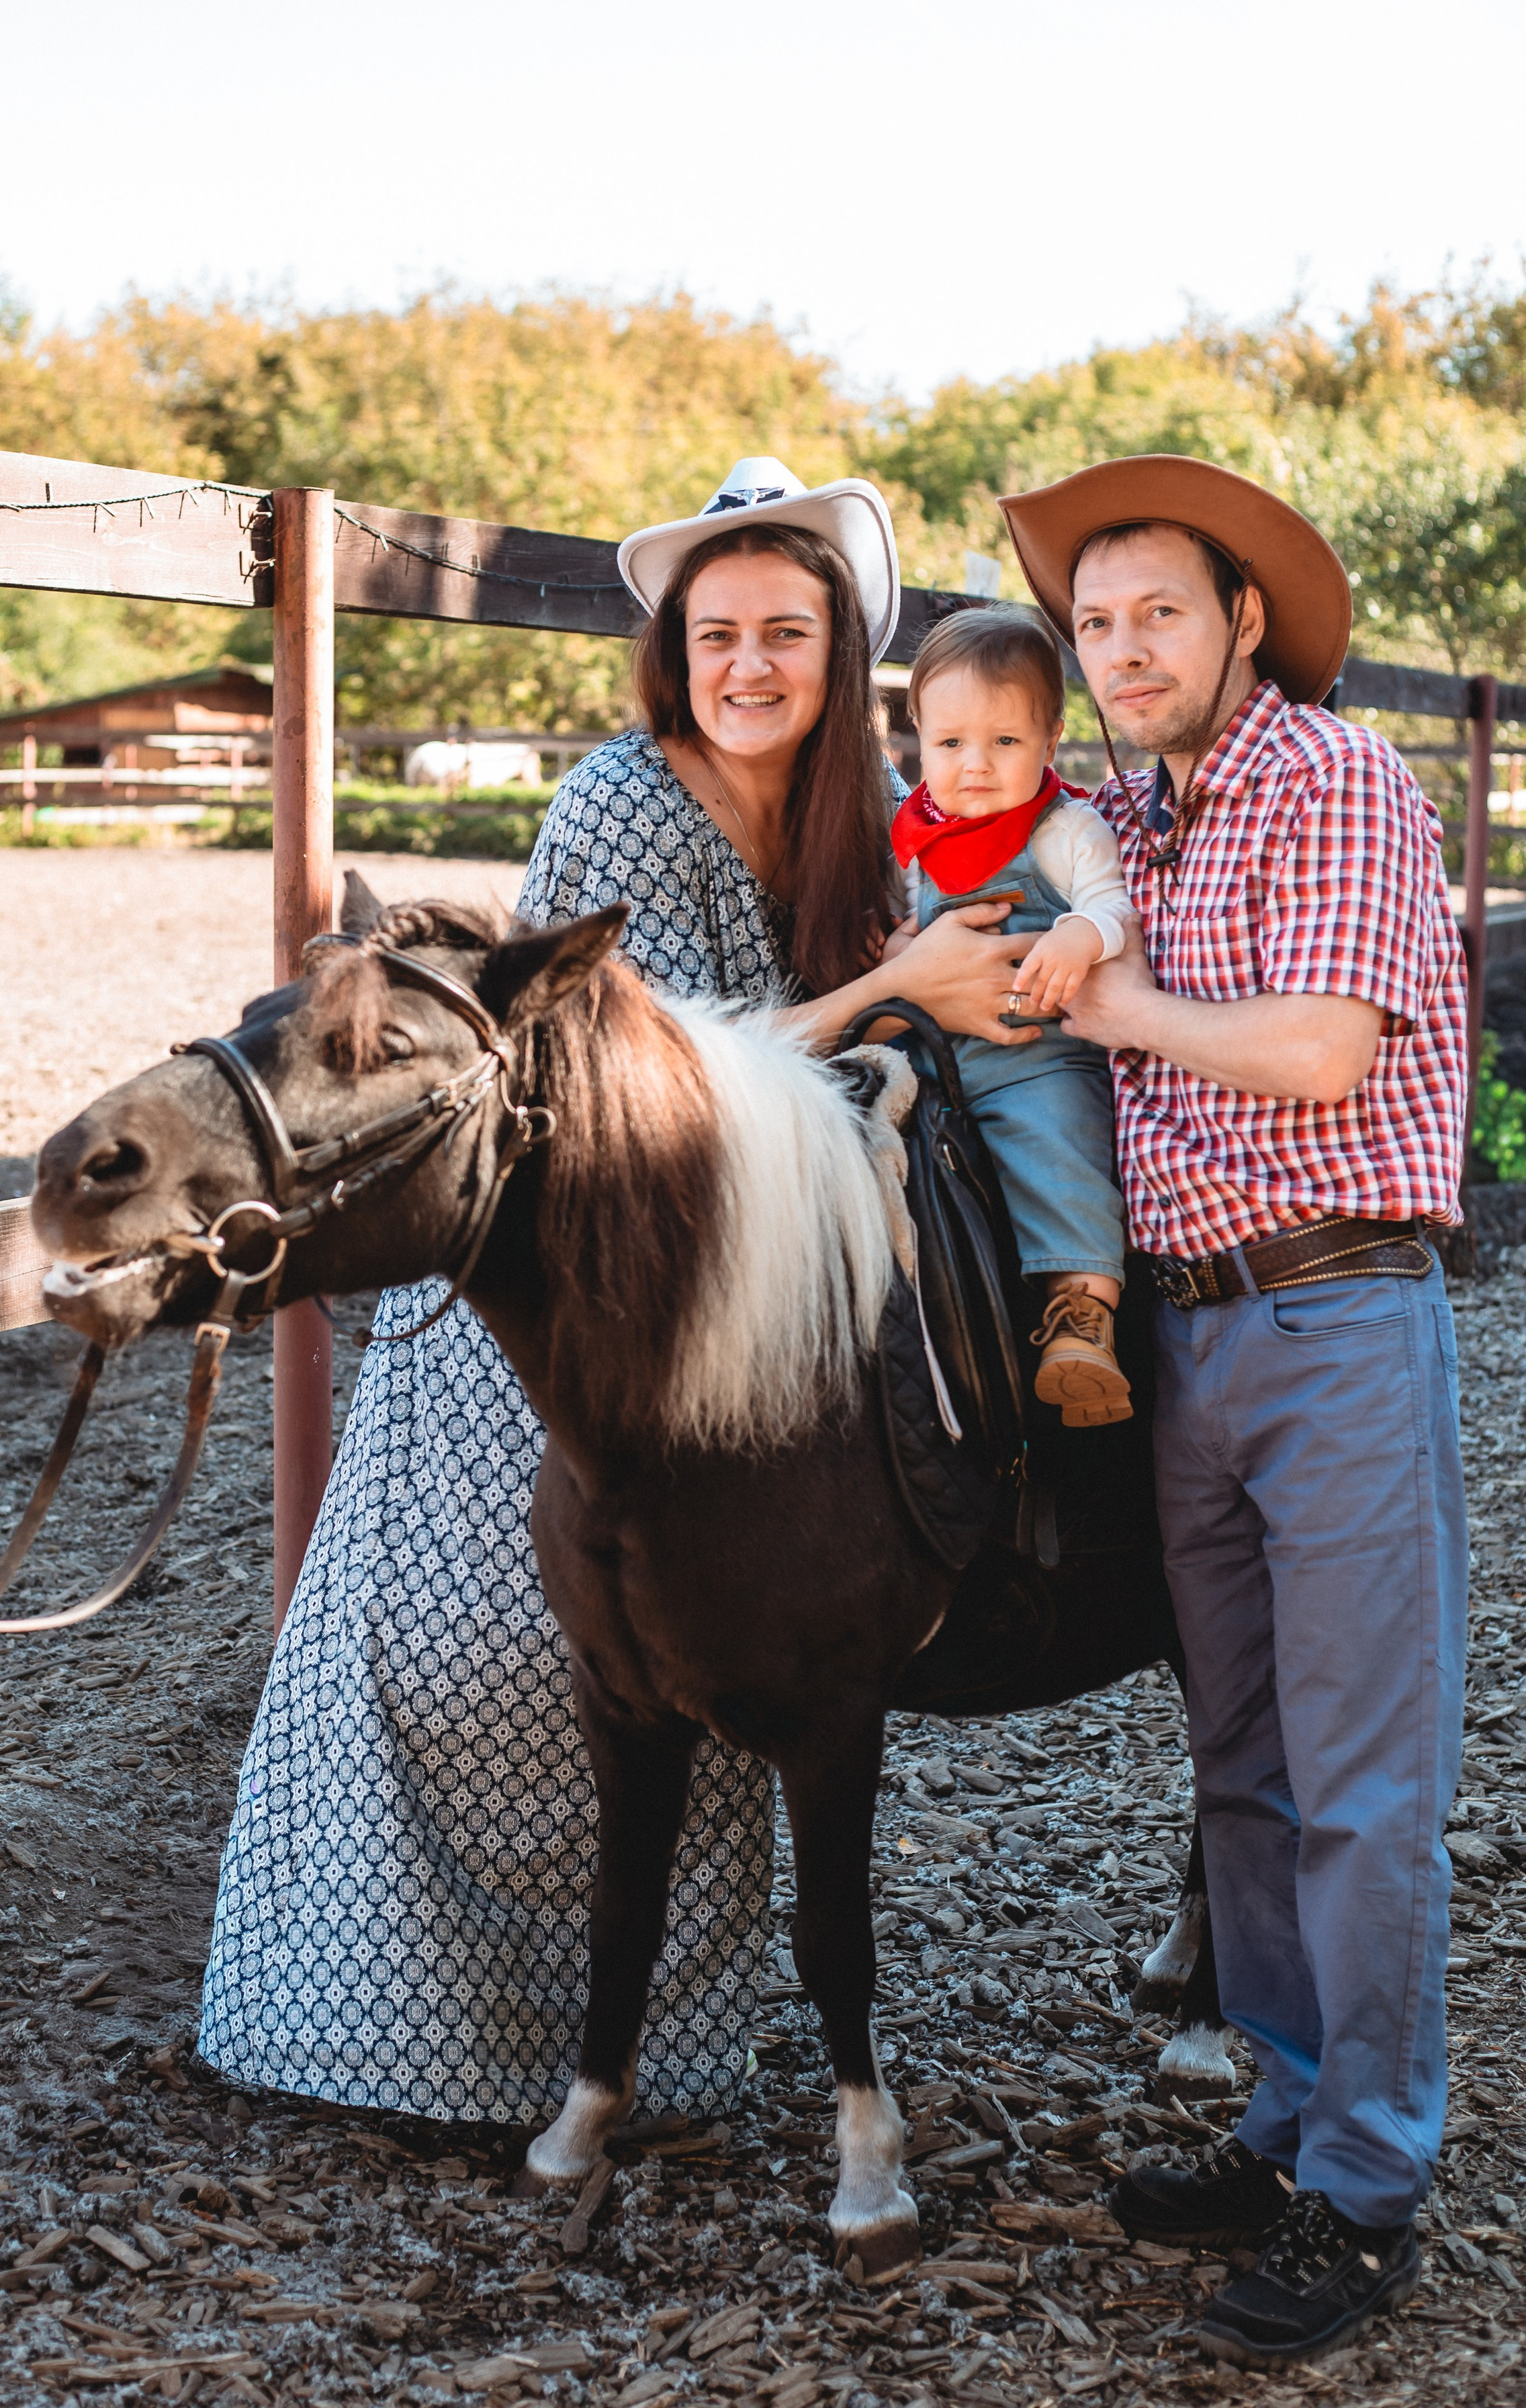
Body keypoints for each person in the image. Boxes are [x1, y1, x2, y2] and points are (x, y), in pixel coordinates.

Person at [197, 456, 1036, 2126]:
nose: (748, 665)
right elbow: (617, 1088)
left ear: (837, 643)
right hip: (586, 1272)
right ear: (673, 652)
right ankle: (387, 2025)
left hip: (730, 1286)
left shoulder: (865, 807)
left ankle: (636, 2054)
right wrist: (889, 985)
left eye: (785, 631)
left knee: (725, 1620)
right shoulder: (613, 803)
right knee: (487, 1646)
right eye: (716, 632)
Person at [999, 457, 1467, 2371]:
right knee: (1247, 1776)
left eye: (1158, 615)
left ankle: (1368, 2186)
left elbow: (1320, 1044)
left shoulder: (1334, 781)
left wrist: (1111, 1013)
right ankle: (1284, 2121)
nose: (1122, 652)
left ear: (1243, 623)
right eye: (1096, 625)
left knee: (1364, 1784)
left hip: (1341, 1312)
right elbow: (959, 830)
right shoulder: (1121, 818)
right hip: (1189, 1343)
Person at [889, 605, 1132, 1423]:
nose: (976, 766)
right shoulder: (918, 837)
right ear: (918, 734)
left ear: (1049, 740)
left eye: (1005, 742)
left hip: (1034, 1057)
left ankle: (1082, 1316)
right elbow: (900, 931)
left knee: (1062, 1148)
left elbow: (1115, 907)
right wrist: (894, 952)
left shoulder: (1062, 828)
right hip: (933, 1062)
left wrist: (1080, 932)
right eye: (951, 744)